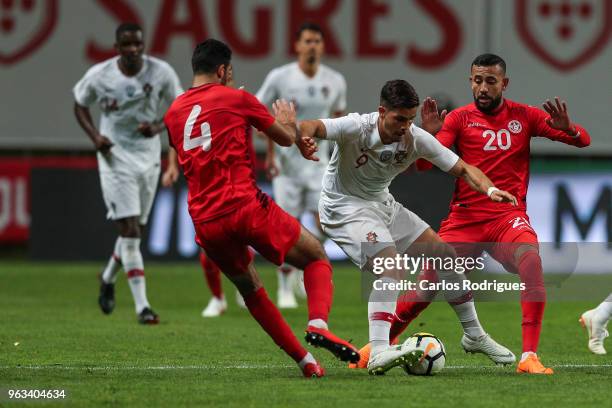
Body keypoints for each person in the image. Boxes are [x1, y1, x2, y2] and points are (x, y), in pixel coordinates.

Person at [163, 38, 359, 378]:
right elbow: (283, 137)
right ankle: (318, 325)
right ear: (222, 70)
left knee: (251, 289)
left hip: (205, 220)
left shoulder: (173, 112)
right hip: (243, 205)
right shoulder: (237, 97)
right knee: (315, 255)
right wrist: (287, 120)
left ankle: (305, 362)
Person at [386, 53, 591, 374]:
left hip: (506, 218)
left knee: (531, 261)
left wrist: (570, 130)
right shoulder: (457, 119)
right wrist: (426, 137)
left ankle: (529, 357)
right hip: (464, 219)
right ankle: (377, 345)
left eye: (490, 81)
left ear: (504, 84)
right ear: (471, 81)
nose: (482, 87)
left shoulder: (525, 116)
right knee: (426, 287)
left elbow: (584, 141)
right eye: (477, 80)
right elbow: (426, 166)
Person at [297, 79, 517, 375]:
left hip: (381, 204)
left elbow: (464, 169)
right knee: (391, 266)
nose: (405, 126)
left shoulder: (415, 138)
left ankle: (474, 335)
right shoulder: (355, 127)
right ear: (381, 111)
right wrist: (304, 139)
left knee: (444, 254)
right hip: (343, 207)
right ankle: (378, 352)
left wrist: (491, 191)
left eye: (410, 119)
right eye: (399, 118)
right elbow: (310, 125)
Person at [73, 23, 183, 324]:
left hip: (149, 157)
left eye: (138, 44)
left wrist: (158, 127)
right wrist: (96, 137)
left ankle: (107, 277)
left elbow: (179, 106)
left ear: (143, 45)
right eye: (127, 45)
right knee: (131, 232)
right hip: (114, 156)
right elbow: (80, 104)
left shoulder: (161, 72)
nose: (133, 49)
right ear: (117, 47)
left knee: (135, 231)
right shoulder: (100, 75)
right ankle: (142, 307)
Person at [255, 22, 347, 309]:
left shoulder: (335, 80)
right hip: (287, 167)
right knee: (288, 226)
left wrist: (339, 160)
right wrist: (270, 155)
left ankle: (301, 269)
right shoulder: (280, 77)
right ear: (297, 46)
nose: (312, 46)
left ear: (322, 46)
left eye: (317, 41)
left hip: (319, 165)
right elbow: (260, 114)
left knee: (325, 222)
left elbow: (340, 124)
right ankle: (283, 287)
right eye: (307, 41)